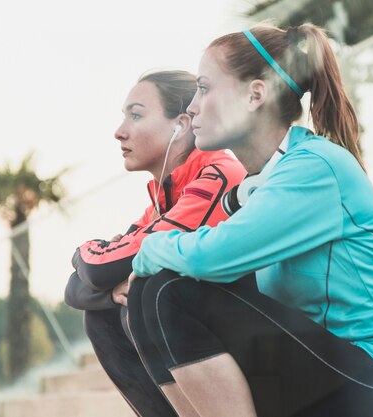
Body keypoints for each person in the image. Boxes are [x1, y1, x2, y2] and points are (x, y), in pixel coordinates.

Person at [127, 25, 373, 417]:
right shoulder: (265, 183)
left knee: (165, 289)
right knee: (144, 297)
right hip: (334, 379)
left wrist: (149, 248)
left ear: (255, 94)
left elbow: (211, 255)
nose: (191, 107)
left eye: (205, 88)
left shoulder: (315, 167)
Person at [64, 70, 247, 417]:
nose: (119, 131)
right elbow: (77, 290)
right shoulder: (164, 199)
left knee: (148, 291)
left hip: (265, 337)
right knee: (101, 315)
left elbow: (97, 267)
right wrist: (105, 280)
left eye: (135, 115)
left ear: (180, 125)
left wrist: (83, 253)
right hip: (211, 328)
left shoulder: (217, 174)